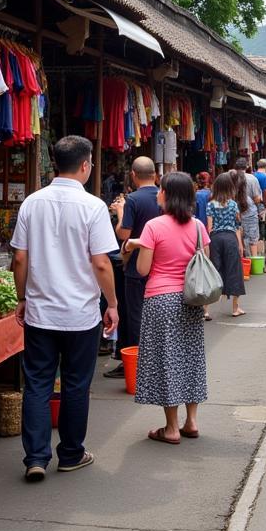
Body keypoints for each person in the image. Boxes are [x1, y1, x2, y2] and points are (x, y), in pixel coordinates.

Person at [11, 135, 119, 480]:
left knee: (38, 384)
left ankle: (36, 458)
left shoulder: (32, 202)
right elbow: (101, 263)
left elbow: (19, 259)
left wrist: (22, 297)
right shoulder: (93, 207)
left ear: (56, 163)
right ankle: (71, 453)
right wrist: (113, 303)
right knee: (75, 384)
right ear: (85, 165)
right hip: (80, 314)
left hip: (41, 313)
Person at [123, 172, 210, 444]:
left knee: (166, 360)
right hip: (191, 300)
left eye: (161, 190)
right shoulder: (197, 226)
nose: (158, 193)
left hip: (161, 300)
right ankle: (191, 421)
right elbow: (203, 262)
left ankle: (171, 428)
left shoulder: (153, 226)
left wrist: (135, 247)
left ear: (168, 195)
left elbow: (142, 269)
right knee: (190, 357)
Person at [105, 156, 161, 378]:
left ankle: (137, 364)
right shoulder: (163, 195)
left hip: (136, 264)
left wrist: (120, 212)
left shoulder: (133, 200)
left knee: (135, 316)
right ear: (155, 175)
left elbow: (124, 234)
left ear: (133, 176)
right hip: (159, 264)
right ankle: (153, 361)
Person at [206, 172, 246, 316]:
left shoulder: (210, 205)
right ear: (230, 187)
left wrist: (206, 245)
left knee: (213, 270)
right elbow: (237, 226)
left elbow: (209, 228)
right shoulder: (233, 205)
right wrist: (240, 244)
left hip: (215, 239)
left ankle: (206, 310)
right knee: (234, 270)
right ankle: (235, 308)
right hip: (230, 238)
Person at [235, 157, 264, 257]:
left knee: (238, 237)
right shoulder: (252, 179)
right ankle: (254, 262)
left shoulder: (231, 178)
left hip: (235, 212)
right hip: (250, 212)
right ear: (246, 166)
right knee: (253, 239)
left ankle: (242, 263)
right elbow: (257, 198)